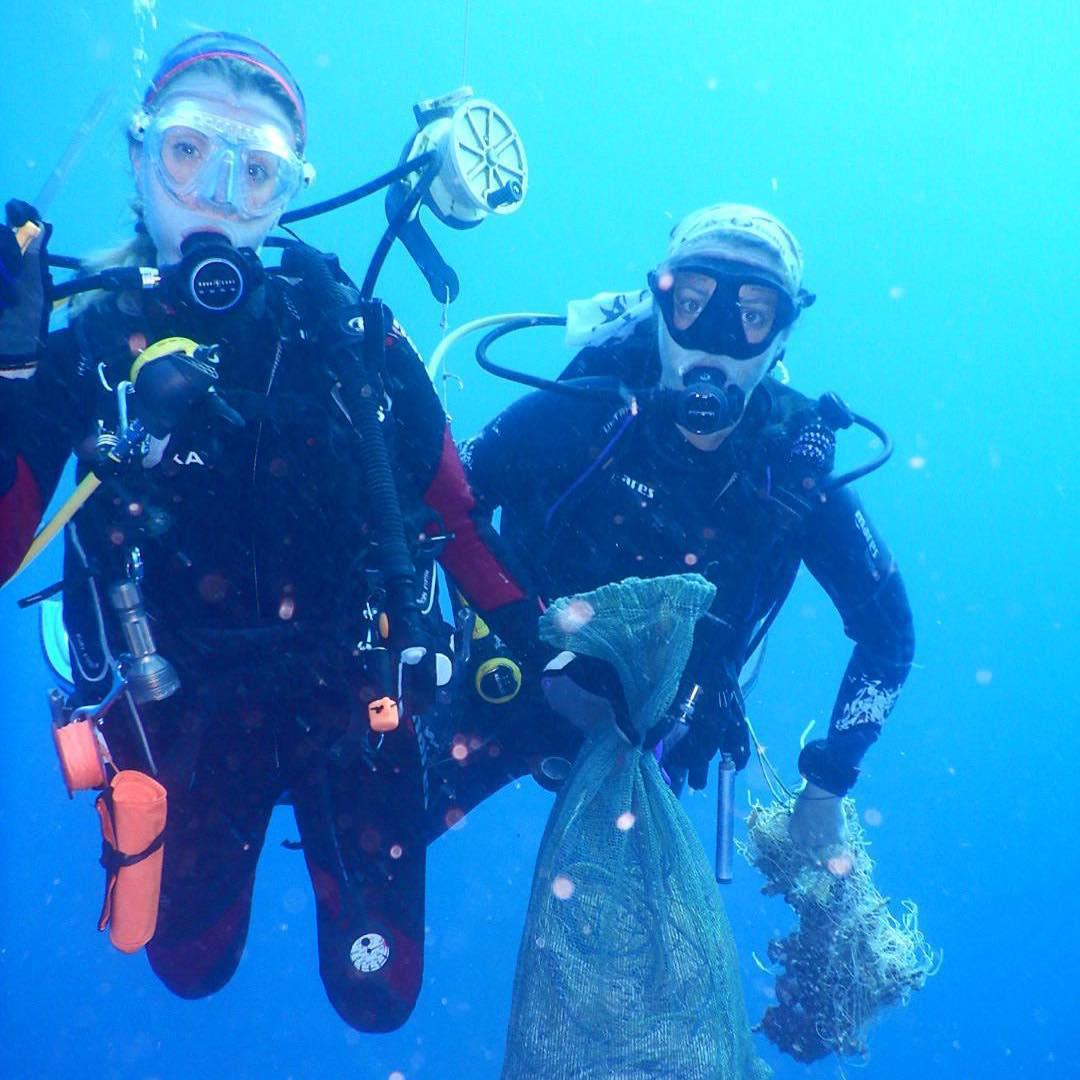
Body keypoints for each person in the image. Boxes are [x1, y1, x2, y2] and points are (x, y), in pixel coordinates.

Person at [0, 32, 540, 1032]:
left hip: (348, 697)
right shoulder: (73, 353)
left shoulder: (352, 340)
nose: (216, 195)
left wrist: (547, 653)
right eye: (188, 153)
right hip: (177, 702)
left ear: (287, 194)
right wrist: (7, 386)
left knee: (379, 997)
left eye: (255, 172)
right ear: (138, 160)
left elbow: (459, 527)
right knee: (187, 968)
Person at [441, 203, 914, 851]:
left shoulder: (794, 467)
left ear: (781, 336)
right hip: (510, 682)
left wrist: (827, 786)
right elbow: (444, 504)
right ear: (658, 310)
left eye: (752, 316)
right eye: (692, 303)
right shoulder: (588, 413)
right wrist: (517, 642)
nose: (716, 341)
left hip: (654, 737)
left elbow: (889, 637)